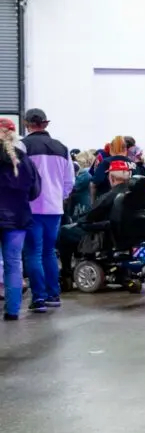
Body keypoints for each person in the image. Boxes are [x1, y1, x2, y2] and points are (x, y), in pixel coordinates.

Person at [20, 108, 72, 313]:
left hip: (30, 207)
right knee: (49, 252)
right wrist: (60, 197)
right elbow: (69, 181)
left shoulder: (22, 146)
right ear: (46, 124)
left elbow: (19, 176)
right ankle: (53, 294)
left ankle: (39, 297)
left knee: (32, 252)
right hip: (55, 208)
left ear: (26, 124)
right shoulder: (62, 148)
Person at [56, 159, 137, 273]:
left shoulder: (110, 196)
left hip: (107, 235)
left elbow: (89, 218)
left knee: (65, 231)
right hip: (131, 236)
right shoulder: (135, 195)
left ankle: (67, 271)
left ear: (111, 178)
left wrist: (79, 221)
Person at [0, 120, 40, 321]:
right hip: (18, 218)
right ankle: (12, 311)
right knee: (13, 265)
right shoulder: (25, 160)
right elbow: (35, 192)